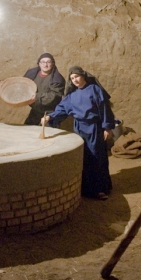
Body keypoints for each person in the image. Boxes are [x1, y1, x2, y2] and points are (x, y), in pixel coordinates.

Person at [42, 66, 115, 200]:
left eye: (76, 77)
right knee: (84, 157)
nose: (75, 80)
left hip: (94, 128)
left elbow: (104, 108)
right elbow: (62, 108)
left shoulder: (95, 89)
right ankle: (86, 189)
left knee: (96, 158)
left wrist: (107, 127)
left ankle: (100, 189)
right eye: (72, 78)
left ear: (83, 76)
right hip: (79, 128)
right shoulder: (71, 96)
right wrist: (49, 117)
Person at [23, 52, 66, 126]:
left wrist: (36, 97)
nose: (45, 65)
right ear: (39, 64)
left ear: (53, 64)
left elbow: (55, 96)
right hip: (36, 110)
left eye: (48, 62)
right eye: (43, 62)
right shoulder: (32, 75)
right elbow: (21, 85)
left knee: (48, 133)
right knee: (28, 130)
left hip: (50, 112)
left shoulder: (57, 79)